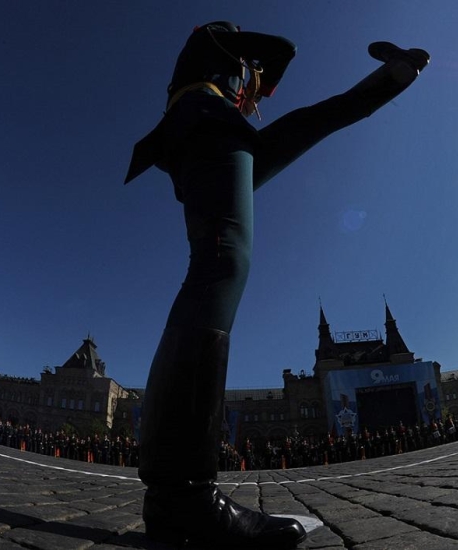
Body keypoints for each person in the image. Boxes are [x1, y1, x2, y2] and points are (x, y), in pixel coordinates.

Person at [125, 21, 429, 549]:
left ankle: (396, 73)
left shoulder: (217, 89)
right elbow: (281, 48)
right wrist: (260, 84)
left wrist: (245, 95)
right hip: (206, 127)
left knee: (318, 121)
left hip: (215, 132)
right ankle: (181, 495)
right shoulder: (210, 36)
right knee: (222, 264)